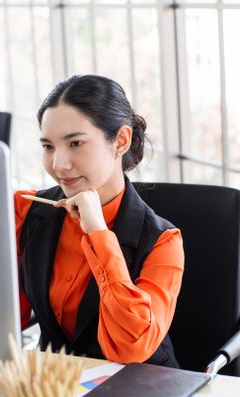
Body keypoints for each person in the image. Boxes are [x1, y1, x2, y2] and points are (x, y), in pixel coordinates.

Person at [16, 75, 184, 367]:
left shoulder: (163, 242)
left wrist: (98, 234)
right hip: (57, 388)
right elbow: (0, 317)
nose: (58, 164)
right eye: (48, 146)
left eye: (76, 143)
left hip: (139, 389)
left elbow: (131, 347)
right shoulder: (28, 211)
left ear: (120, 141)